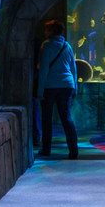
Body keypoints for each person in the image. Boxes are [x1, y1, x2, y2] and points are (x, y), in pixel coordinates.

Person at [37, 20, 79, 159]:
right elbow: (73, 68)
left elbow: (43, 70)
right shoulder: (67, 46)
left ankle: (46, 149)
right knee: (66, 118)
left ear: (51, 31)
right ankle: (74, 151)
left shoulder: (46, 46)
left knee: (46, 118)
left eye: (46, 29)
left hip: (50, 86)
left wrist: (40, 91)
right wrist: (75, 87)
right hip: (67, 85)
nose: (45, 32)